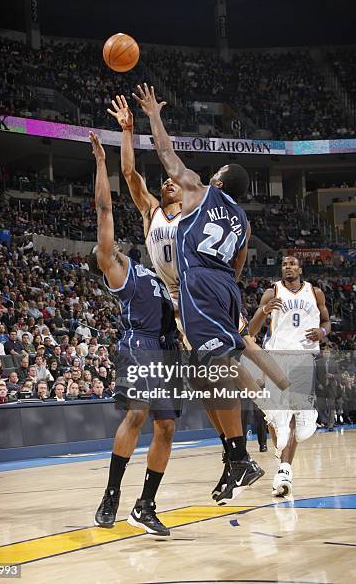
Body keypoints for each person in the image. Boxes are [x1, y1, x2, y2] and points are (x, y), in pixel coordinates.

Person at [133, 85, 268, 503]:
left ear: (220, 179)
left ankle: (242, 455)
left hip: (201, 285)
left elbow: (165, 151)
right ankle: (234, 459)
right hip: (226, 287)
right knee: (205, 375)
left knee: (217, 370)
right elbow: (239, 265)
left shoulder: (199, 190)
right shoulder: (244, 220)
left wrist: (153, 114)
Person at [89, 132, 176, 537]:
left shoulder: (146, 269)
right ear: (104, 262)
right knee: (137, 413)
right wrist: (100, 164)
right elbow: (104, 209)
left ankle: (146, 505)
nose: (105, 245)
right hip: (139, 345)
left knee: (166, 428)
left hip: (165, 348)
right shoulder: (119, 273)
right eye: (101, 249)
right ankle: (111, 495)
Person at [249, 256, 331, 497]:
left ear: (300, 269)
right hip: (276, 358)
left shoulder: (314, 293)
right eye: (284, 264)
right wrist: (264, 310)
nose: (288, 267)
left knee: (294, 415)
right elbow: (252, 332)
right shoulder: (271, 292)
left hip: (303, 358)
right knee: (276, 417)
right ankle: (282, 453)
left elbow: (326, 322)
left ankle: (285, 469)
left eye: (292, 264)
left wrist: (322, 331)